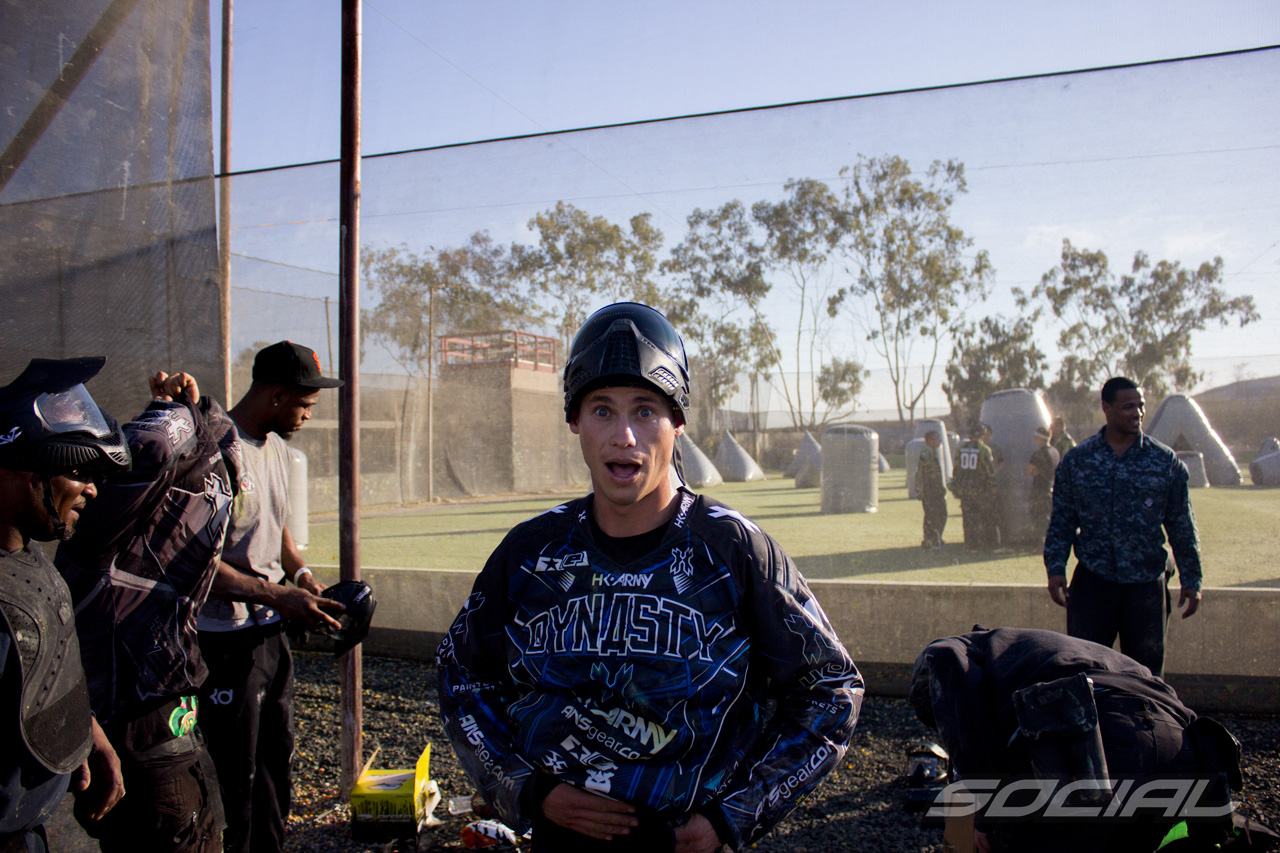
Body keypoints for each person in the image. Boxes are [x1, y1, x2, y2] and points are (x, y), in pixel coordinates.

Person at [437, 303, 863, 853]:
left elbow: (831, 690)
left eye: (645, 411)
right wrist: (527, 788)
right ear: (574, 421)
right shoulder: (528, 553)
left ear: (677, 424)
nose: (625, 436)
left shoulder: (734, 549)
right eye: (601, 410)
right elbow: (460, 673)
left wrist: (730, 819)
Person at [56, 371, 239, 852]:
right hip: (144, 736)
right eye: (79, 472)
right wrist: (185, 419)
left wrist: (182, 417)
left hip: (166, 727)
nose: (91, 487)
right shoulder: (91, 543)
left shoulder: (104, 535)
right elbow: (156, 447)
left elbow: (156, 448)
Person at [909, 627, 1257, 853]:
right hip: (1179, 748)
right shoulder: (1027, 651)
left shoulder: (947, 653)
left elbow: (964, 728)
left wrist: (983, 819)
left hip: (1094, 743)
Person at [196, 341, 345, 853]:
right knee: (233, 772)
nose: (308, 416)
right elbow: (196, 565)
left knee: (273, 761)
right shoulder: (213, 450)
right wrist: (277, 595)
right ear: (277, 395)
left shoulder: (279, 449)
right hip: (221, 643)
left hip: (268, 635)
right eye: (305, 406)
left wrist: (300, 574)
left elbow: (277, 528)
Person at [0, 357, 128, 851]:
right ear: (15, 470)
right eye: (75, 469)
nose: (91, 489)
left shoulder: (30, 562)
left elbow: (45, 664)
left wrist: (88, 736)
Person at [1044, 377, 1202, 678]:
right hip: (1093, 583)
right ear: (1106, 408)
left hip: (1145, 587)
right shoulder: (1078, 461)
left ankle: (1145, 726)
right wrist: (1055, 568)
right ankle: (1092, 727)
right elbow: (1062, 520)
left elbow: (1182, 525)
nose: (1137, 413)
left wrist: (1192, 579)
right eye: (1128, 406)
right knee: (1084, 672)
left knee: (1146, 677)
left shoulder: (1164, 462)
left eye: (1140, 406)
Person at [950, 423, 997, 551]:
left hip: (965, 488)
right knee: (984, 517)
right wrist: (992, 490)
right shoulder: (984, 450)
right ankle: (986, 544)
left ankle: (971, 545)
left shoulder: (961, 448)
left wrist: (957, 487)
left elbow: (957, 469)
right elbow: (989, 472)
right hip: (979, 489)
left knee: (968, 519)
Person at [1024, 425, 1061, 538]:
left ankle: (1042, 543)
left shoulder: (1039, 454)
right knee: (1048, 516)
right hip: (1052, 487)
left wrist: (1037, 470)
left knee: (1040, 518)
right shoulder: (1055, 452)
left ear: (1040, 439)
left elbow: (1028, 471)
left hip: (1040, 490)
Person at [916, 429, 948, 549]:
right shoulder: (927, 452)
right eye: (935, 439)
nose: (939, 441)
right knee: (937, 514)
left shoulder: (932, 451)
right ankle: (933, 540)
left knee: (932, 515)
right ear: (929, 441)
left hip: (933, 489)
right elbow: (922, 471)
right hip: (931, 489)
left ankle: (931, 540)